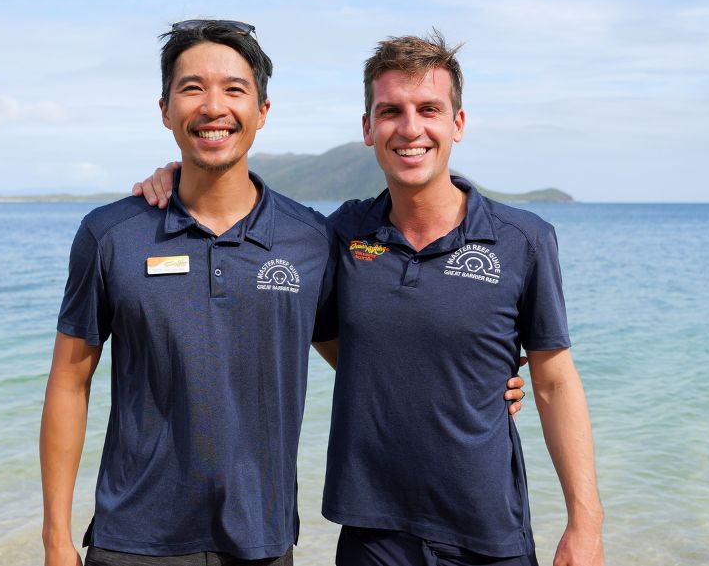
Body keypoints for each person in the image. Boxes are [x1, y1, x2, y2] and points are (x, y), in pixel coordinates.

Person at [41, 20, 527, 566]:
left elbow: (366, 348)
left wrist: (475, 384)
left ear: (263, 112)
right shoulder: (110, 234)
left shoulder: (312, 239)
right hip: (132, 539)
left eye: (234, 89)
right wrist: (56, 539)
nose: (213, 106)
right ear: (164, 109)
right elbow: (68, 381)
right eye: (192, 88)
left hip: (262, 543)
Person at [136, 31, 603, 566]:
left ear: (458, 123)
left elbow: (555, 381)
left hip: (488, 529)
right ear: (367, 128)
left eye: (429, 109)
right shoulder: (334, 235)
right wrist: (172, 177)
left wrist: (585, 524)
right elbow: (301, 307)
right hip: (371, 532)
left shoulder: (524, 239)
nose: (410, 129)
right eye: (390, 111)